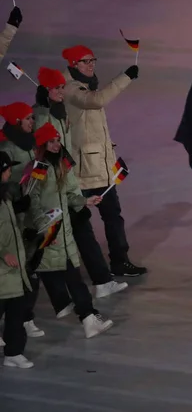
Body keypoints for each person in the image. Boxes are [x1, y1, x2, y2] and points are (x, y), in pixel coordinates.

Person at [34, 67, 128, 299]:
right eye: (57, 88)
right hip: (53, 188)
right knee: (49, 244)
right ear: (47, 90)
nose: (61, 91)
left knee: (78, 235)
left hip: (67, 182)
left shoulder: (59, 112)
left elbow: (64, 149)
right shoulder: (43, 117)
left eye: (61, 87)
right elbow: (44, 155)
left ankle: (99, 283)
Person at [61, 45, 146, 277]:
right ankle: (87, 271)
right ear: (73, 64)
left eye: (92, 60)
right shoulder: (71, 88)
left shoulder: (85, 85)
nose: (91, 64)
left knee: (113, 217)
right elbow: (96, 101)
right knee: (81, 224)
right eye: (85, 61)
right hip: (83, 170)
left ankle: (119, 261)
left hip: (100, 166)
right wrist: (125, 77)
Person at [28, 122, 114, 338]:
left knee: (68, 275)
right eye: (52, 142)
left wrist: (85, 201)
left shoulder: (58, 167)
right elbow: (32, 201)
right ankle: (83, 316)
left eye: (58, 140)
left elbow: (66, 196)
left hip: (63, 233)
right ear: (42, 145)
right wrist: (45, 230)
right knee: (38, 277)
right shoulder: (38, 170)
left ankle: (86, 317)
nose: (57, 145)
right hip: (51, 233)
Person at [0, 102, 45, 337]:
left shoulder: (30, 142)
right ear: (17, 122)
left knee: (30, 266)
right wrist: (16, 204)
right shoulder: (6, 147)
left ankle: (25, 315)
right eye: (28, 118)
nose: (32, 122)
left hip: (27, 214)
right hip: (11, 217)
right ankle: (21, 317)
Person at [0, 151, 34, 368]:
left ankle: (13, 352)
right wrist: (3, 253)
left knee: (17, 310)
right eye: (7, 169)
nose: (10, 173)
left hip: (14, 268)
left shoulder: (5, 197)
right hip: (3, 269)